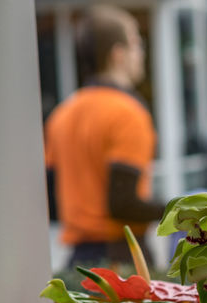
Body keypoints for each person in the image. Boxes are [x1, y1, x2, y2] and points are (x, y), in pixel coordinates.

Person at [45, 5, 166, 268]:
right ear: (118, 54)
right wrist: (180, 209)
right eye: (137, 44)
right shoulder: (127, 113)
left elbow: (50, 196)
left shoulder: (62, 115)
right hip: (122, 260)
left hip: (77, 262)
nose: (141, 54)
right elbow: (122, 203)